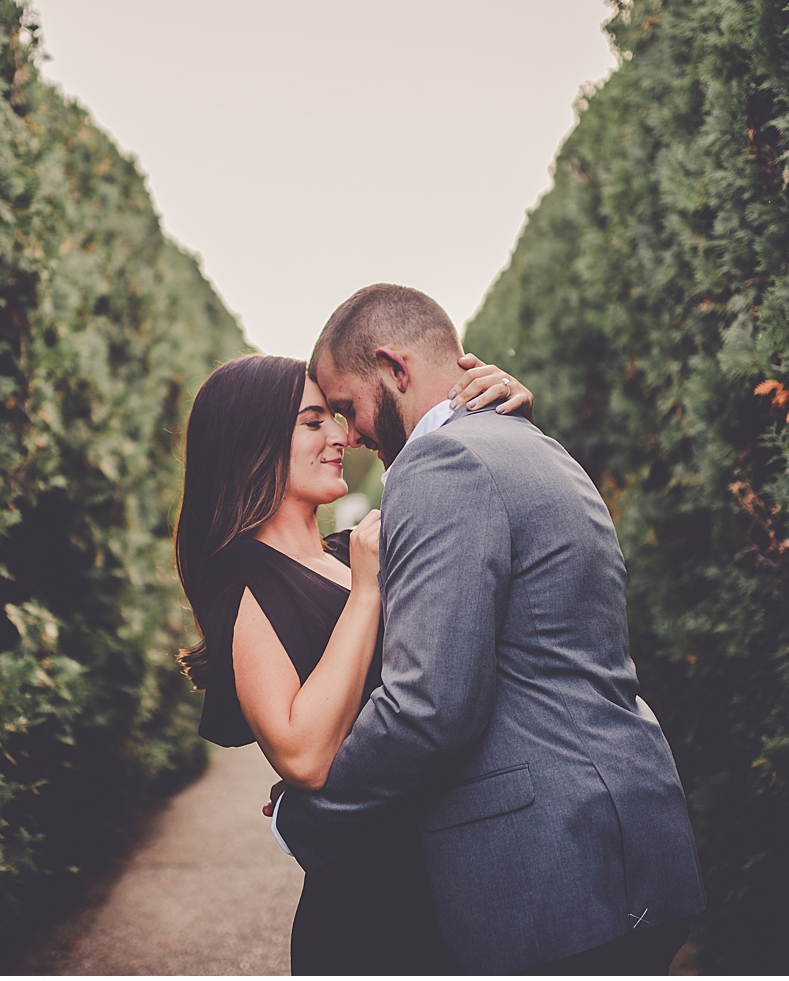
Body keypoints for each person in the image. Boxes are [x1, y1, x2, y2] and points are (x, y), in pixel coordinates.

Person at [270, 284, 707, 977]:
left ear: (395, 367)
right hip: (625, 841)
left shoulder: (439, 464)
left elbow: (429, 706)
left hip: (552, 869)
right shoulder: (535, 444)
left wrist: (307, 814)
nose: (349, 436)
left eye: (348, 408)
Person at [174, 346, 534, 975]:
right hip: (369, 912)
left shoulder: (357, 549)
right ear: (251, 443)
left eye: (334, 418)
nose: (339, 436)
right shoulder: (242, 575)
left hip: (450, 882)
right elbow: (304, 755)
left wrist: (500, 417)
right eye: (313, 422)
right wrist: (366, 594)